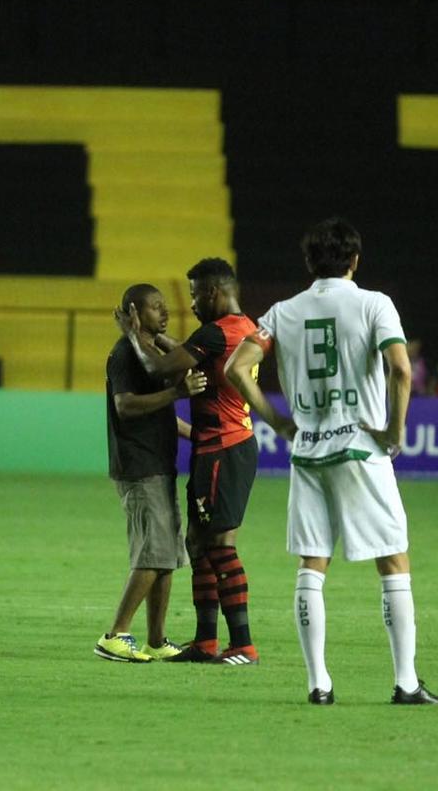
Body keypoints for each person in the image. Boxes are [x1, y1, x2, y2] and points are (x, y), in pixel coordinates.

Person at [226, 216, 438, 705]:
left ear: (309, 263)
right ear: (355, 259)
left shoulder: (282, 312)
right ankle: (406, 682)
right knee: (393, 560)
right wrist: (394, 430)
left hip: (308, 453)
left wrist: (277, 421)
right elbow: (401, 370)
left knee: (312, 565)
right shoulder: (373, 304)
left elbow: (236, 367)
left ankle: (318, 684)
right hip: (361, 450)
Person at [116, 257, 261, 666]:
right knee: (197, 544)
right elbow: (186, 352)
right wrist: (163, 340)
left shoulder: (216, 333)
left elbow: (160, 367)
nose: (193, 303)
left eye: (196, 295)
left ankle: (243, 645)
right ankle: (205, 642)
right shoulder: (245, 327)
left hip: (224, 447)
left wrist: (132, 334)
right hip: (218, 446)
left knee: (219, 545)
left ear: (214, 292)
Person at [95, 283, 207, 663]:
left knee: (168, 555)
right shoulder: (125, 353)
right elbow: (126, 406)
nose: (165, 312)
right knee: (151, 554)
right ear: (134, 311)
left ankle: (155, 641)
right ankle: (115, 634)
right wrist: (178, 393)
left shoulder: (150, 352)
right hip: (138, 466)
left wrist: (195, 435)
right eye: (156, 307)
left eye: (164, 307)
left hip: (159, 464)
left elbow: (162, 401)